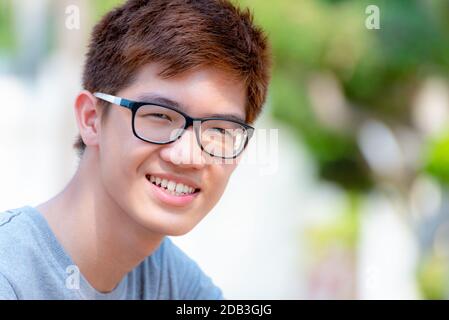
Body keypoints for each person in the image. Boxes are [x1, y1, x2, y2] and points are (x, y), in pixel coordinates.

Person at [0, 0, 271, 299]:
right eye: (159, 116)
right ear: (91, 119)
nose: (188, 156)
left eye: (219, 129)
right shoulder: (11, 276)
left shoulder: (177, 286)